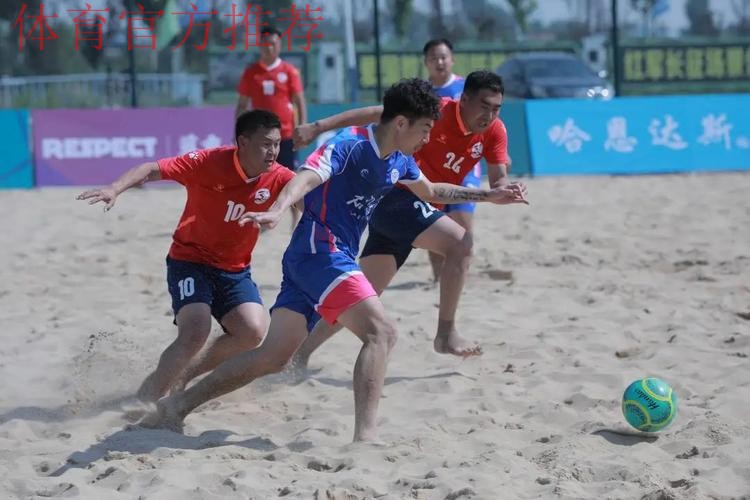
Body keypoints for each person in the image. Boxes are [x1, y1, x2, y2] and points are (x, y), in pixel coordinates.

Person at [139, 79, 527, 442]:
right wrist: (278, 209)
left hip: (316, 258)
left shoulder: (400, 159)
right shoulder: (349, 144)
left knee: (272, 357)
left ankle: (177, 405)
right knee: (381, 333)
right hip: (320, 251)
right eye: (425, 129)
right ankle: (366, 439)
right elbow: (307, 176)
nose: (428, 138)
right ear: (401, 123)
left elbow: (430, 190)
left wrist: (488, 196)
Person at [290, 70, 515, 373]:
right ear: (464, 100)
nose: (489, 115)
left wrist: (503, 190)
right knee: (461, 243)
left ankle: (298, 355)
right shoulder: (436, 110)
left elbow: (496, 179)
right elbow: (378, 114)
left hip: (412, 203)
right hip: (395, 195)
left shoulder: (495, 130)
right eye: (484, 106)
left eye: (496, 108)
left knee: (359, 296)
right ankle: (446, 333)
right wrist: (318, 126)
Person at [77, 110, 295, 404]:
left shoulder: (280, 176)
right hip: (191, 260)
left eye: (277, 144)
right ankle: (145, 401)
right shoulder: (209, 162)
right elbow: (151, 169)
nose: (273, 152)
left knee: (252, 332)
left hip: (234, 270)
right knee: (195, 331)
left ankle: (185, 374)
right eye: (266, 144)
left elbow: (306, 192)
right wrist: (114, 188)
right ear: (243, 142)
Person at [422, 38, 484, 282]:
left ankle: (460, 275)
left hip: (464, 166)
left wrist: (499, 154)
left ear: (452, 59)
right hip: (431, 168)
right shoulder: (422, 93)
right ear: (426, 62)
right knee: (433, 225)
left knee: (461, 225)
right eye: (434, 58)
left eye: (443, 57)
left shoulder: (467, 90)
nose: (439, 62)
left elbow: (488, 123)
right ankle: (439, 277)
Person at [235, 26, 307, 171]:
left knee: (287, 176)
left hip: (285, 136)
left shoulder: (289, 71)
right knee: (261, 176)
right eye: (265, 44)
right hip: (259, 136)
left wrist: (303, 128)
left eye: (273, 44)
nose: (269, 48)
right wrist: (240, 131)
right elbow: (242, 105)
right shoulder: (251, 73)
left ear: (279, 45)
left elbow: (299, 102)